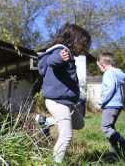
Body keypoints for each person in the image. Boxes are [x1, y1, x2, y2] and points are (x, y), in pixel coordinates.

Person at [37, 23, 91, 163]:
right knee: (66, 135)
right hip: (57, 101)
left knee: (79, 124)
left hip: (67, 102)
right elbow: (50, 61)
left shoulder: (69, 54)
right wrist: (60, 57)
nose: (85, 48)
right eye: (84, 44)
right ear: (74, 40)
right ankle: (56, 162)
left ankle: (45, 121)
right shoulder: (61, 50)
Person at [97, 52, 125, 155]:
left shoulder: (108, 73)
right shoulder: (118, 73)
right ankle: (114, 151)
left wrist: (101, 101)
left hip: (110, 105)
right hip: (117, 105)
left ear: (102, 64)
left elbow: (110, 89)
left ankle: (123, 142)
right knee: (111, 128)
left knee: (105, 127)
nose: (99, 69)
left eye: (99, 66)